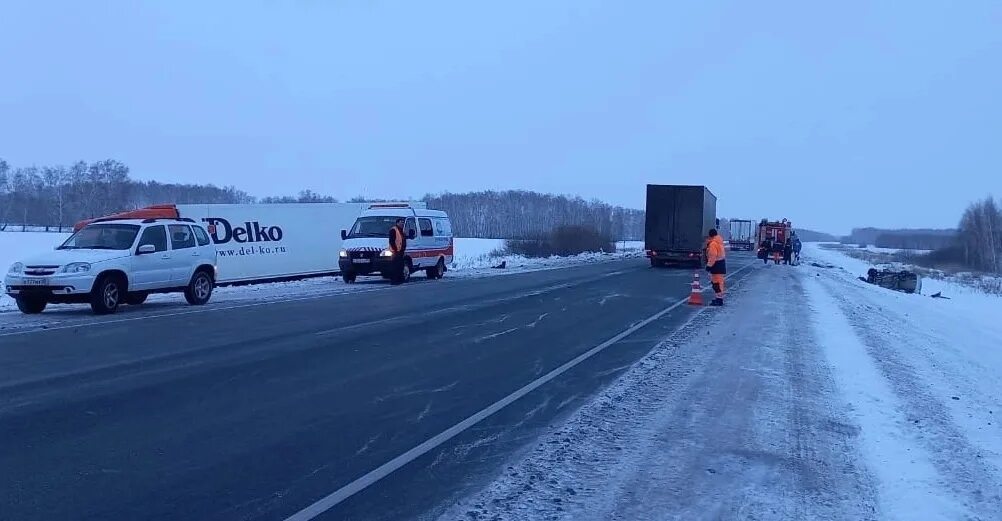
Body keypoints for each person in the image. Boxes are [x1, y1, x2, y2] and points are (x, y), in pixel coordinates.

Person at [705, 228, 726, 306]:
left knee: (716, 283)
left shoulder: (713, 244)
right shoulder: (719, 242)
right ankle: (719, 299)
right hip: (720, 265)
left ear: (710, 235)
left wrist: (708, 266)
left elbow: (712, 256)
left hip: (716, 266)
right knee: (719, 283)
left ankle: (719, 300)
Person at [388, 218, 408, 285]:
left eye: (403, 222)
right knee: (395, 267)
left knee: (400, 266)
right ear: (397, 223)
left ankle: (400, 280)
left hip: (401, 252)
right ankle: (394, 280)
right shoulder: (393, 230)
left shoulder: (401, 231)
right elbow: (392, 241)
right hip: (395, 252)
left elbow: (403, 240)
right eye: (401, 222)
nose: (402, 224)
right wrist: (395, 250)